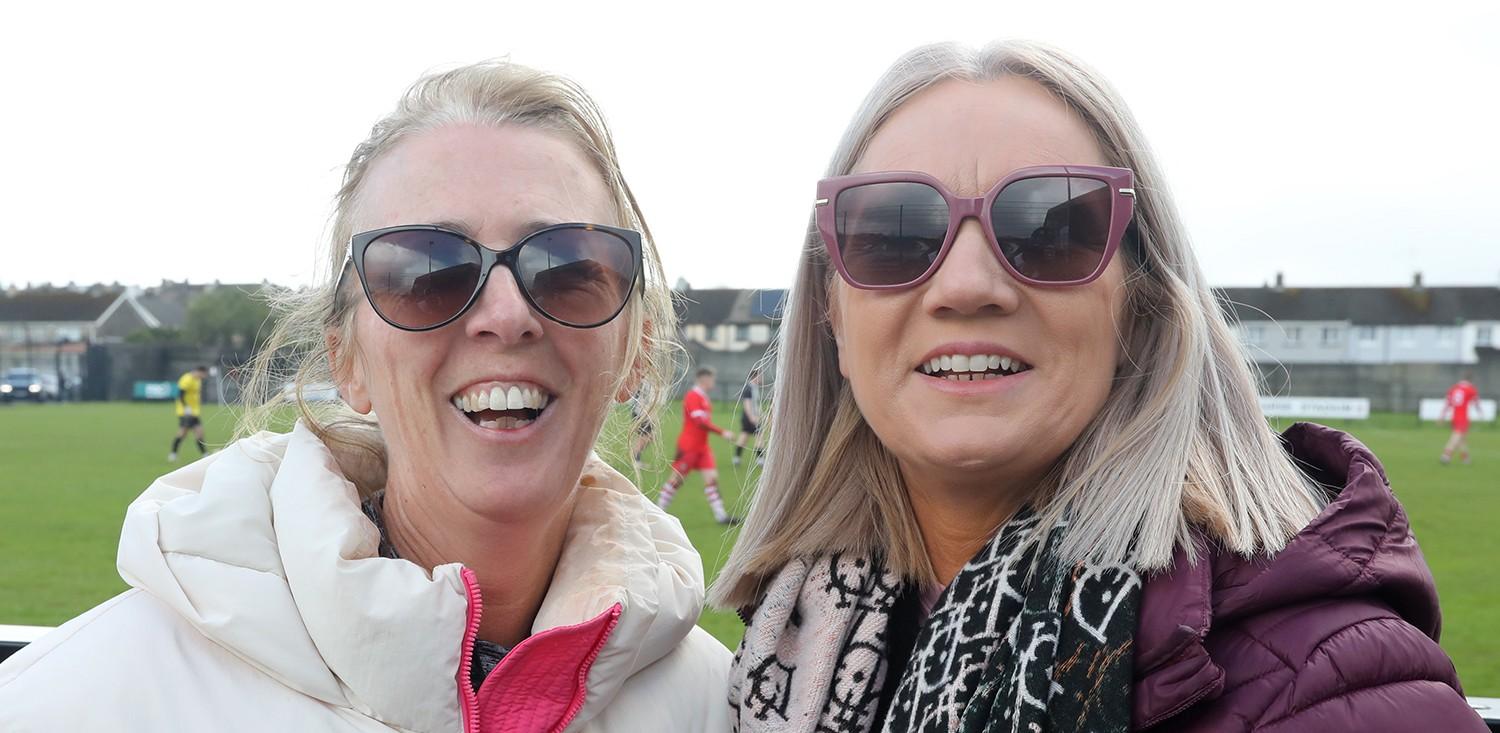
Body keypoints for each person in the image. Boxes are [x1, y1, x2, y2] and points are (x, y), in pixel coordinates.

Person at [714, 41, 1485, 732]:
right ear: (832, 313)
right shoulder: (787, 647)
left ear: (1141, 306)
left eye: (1052, 230)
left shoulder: (1324, 689)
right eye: (894, 235)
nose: (967, 284)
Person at [0, 61, 730, 732]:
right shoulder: (81, 703)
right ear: (346, 359)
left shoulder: (722, 707)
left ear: (635, 348)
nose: (506, 315)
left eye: (568, 266)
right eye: (425, 273)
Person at [658, 365, 738, 524]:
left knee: (712, 479)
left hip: (702, 448)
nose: (714, 382)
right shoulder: (693, 396)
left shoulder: (702, 396)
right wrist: (722, 432)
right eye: (712, 379)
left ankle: (721, 516)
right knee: (676, 480)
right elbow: (700, 422)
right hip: (689, 447)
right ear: (705, 379)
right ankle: (657, 512)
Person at [166, 365, 209, 461]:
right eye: (203, 374)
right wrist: (186, 407)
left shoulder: (198, 380)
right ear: (199, 371)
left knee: (199, 432)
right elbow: (180, 394)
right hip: (185, 412)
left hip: (194, 412)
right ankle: (173, 454)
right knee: (182, 433)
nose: (203, 377)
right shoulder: (186, 379)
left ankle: (205, 454)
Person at [1441, 371, 1481, 464]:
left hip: (1454, 416)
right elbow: (1476, 402)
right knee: (1456, 436)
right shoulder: (1471, 389)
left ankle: (1465, 458)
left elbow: (1448, 403)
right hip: (1462, 417)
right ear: (1471, 380)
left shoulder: (1454, 388)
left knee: (1462, 438)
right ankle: (1446, 455)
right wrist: (1480, 412)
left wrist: (1442, 415)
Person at [732, 368, 764, 468]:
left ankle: (736, 458)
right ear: (755, 376)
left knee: (744, 436)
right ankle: (760, 460)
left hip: (751, 417)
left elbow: (755, 404)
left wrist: (761, 414)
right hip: (750, 417)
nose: (761, 378)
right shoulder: (748, 388)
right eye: (760, 376)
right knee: (759, 436)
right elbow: (747, 404)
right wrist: (752, 417)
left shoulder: (754, 388)